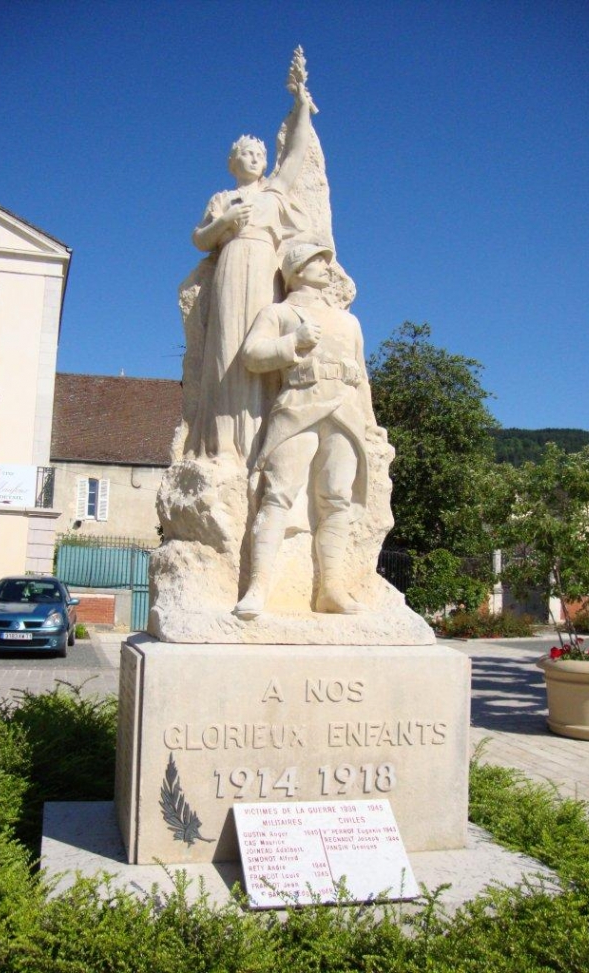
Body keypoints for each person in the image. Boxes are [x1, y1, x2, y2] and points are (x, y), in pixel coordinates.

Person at [233, 242, 385, 619]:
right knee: (278, 494)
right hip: (299, 402)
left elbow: (362, 377)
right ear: (296, 269)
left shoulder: (349, 322)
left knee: (336, 498)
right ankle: (257, 589)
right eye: (318, 260)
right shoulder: (279, 312)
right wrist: (293, 343)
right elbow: (252, 355)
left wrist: (370, 424)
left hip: (344, 409)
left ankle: (331, 589)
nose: (326, 267)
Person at [183, 81, 313, 466]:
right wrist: (224, 222)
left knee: (257, 349)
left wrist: (302, 104)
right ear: (232, 161)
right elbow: (200, 240)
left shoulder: (274, 192)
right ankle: (222, 444)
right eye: (246, 152)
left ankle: (258, 445)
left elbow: (295, 154)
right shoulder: (222, 199)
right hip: (230, 266)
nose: (255, 157)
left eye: (259, 152)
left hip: (264, 270)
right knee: (224, 351)